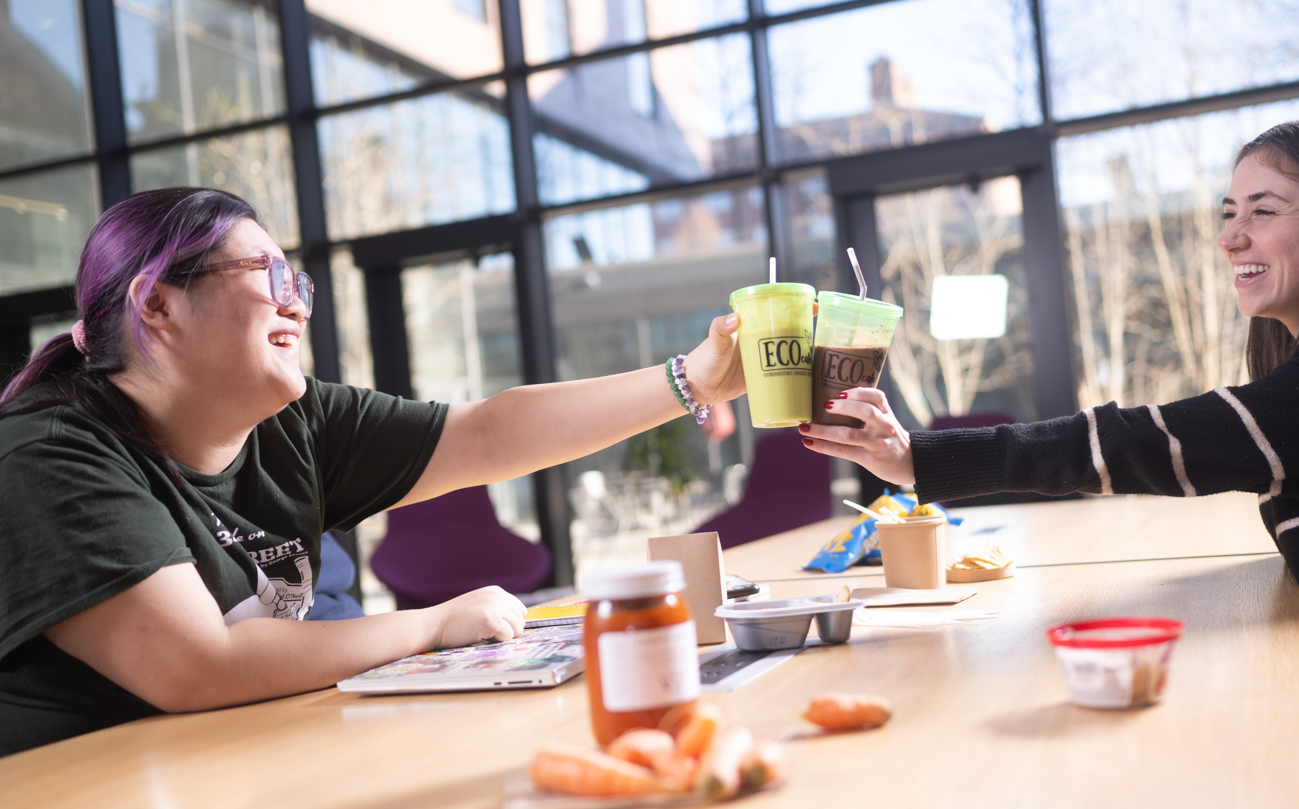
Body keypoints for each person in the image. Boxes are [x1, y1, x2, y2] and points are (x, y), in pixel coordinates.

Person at [802, 115, 1299, 809]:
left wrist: (916, 457)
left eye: (1265, 210)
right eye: (1229, 213)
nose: (1231, 237)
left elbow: (1142, 441)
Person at [0, 187, 745, 757]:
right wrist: (432, 625)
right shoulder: (52, 453)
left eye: (299, 283)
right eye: (270, 275)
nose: (297, 304)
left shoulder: (294, 422)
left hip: (217, 771)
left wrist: (692, 381)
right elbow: (198, 667)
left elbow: (486, 435)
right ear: (157, 305)